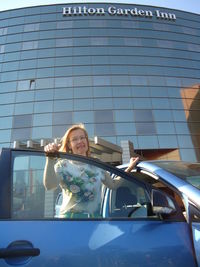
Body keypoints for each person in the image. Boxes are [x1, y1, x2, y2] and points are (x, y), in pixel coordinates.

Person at [43, 123, 139, 218]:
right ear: (69, 144)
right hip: (70, 219)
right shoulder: (62, 165)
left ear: (87, 141)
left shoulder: (97, 164)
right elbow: (50, 186)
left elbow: (113, 184)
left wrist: (129, 167)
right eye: (75, 139)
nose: (80, 141)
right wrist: (49, 159)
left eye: (82, 137)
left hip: (95, 219)